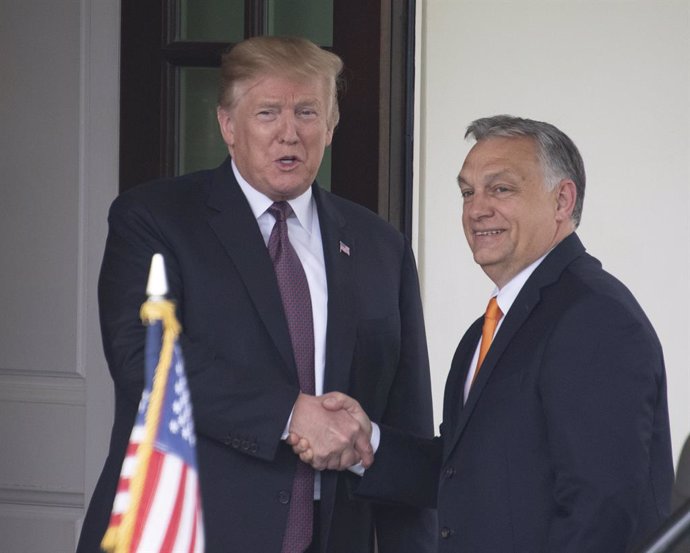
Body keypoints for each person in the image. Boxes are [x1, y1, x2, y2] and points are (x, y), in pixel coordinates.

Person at [77, 36, 436, 553]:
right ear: (228, 125)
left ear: (331, 127)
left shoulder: (381, 245)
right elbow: (146, 358)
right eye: (268, 112)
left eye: (308, 112)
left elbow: (406, 421)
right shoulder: (155, 219)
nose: (289, 132)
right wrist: (292, 414)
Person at [295, 115, 675, 552]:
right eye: (467, 192)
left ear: (562, 200)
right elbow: (465, 473)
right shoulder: (487, 328)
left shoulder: (594, 318)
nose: (477, 209)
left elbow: (606, 510)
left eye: (501, 189)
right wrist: (367, 442)